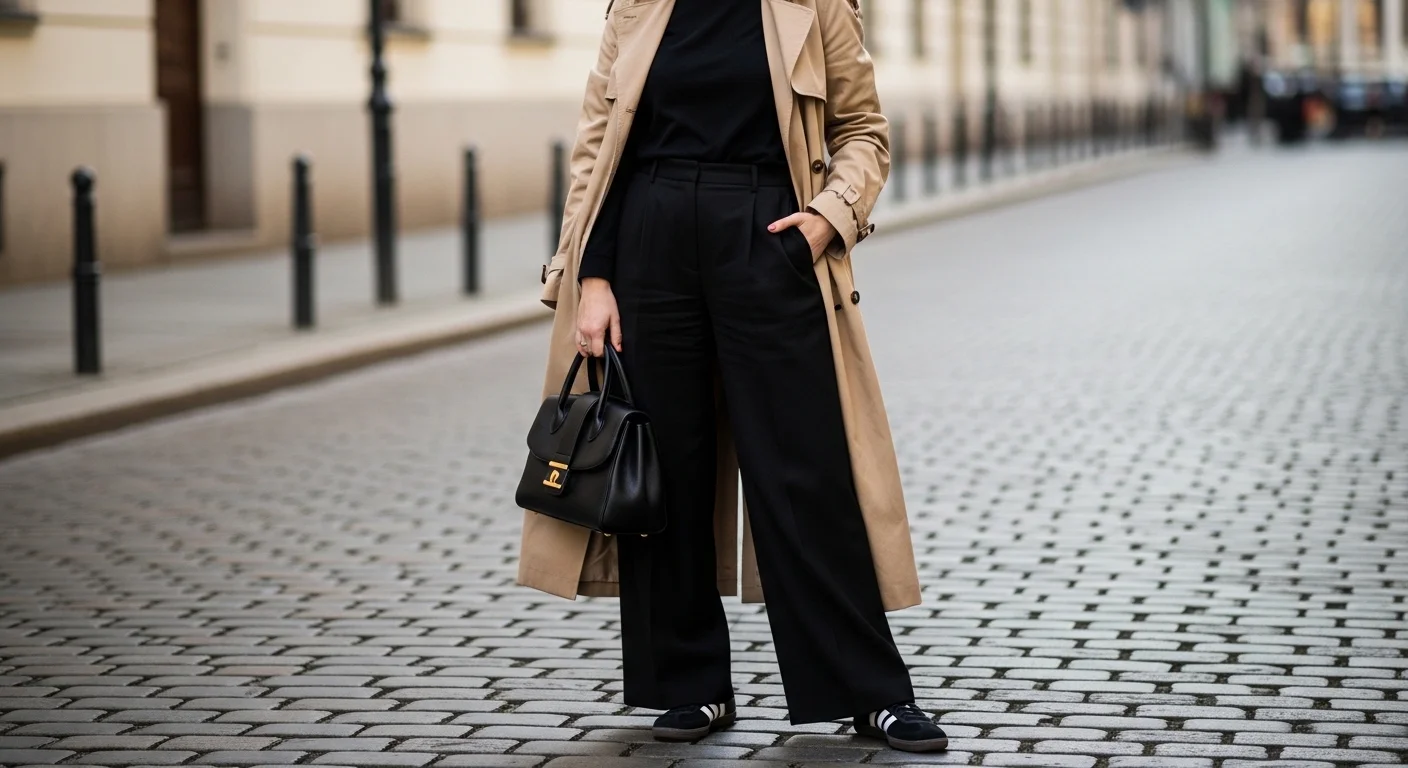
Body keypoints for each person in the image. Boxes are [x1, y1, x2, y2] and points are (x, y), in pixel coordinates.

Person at [516, 0, 947, 754]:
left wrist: (826, 219)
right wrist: (592, 277)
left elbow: (863, 132)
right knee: (663, 469)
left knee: (803, 469)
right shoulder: (639, 7)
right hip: (650, 241)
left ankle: (868, 690)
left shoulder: (812, 6)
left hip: (768, 237)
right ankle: (690, 685)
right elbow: (601, 147)